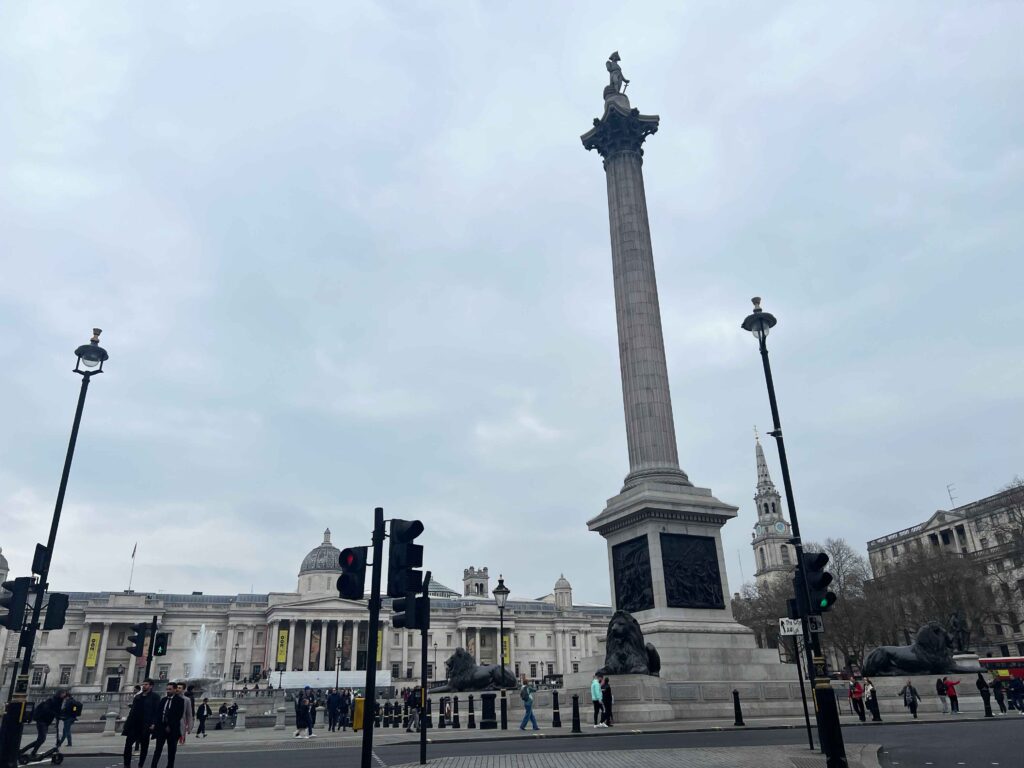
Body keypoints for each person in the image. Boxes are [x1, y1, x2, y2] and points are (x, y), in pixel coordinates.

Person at [122, 678, 161, 768]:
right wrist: (127, 723)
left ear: (151, 686)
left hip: (145, 725)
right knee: (128, 745)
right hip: (134, 724)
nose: (144, 686)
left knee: (144, 747)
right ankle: (127, 765)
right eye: (143, 684)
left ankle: (140, 765)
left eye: (146, 684)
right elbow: (133, 710)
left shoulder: (155, 697)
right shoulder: (138, 697)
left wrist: (153, 723)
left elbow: (156, 711)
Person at [150, 682, 185, 768]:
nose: (168, 691)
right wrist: (154, 723)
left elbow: (178, 715)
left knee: (171, 751)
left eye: (170, 689)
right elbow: (158, 713)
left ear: (175, 689)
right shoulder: (163, 700)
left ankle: (170, 766)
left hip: (172, 729)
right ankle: (153, 766)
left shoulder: (180, 701)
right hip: (161, 728)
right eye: (167, 689)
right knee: (158, 749)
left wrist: (170, 725)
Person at [23, 690, 65, 758]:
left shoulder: (59, 702)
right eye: (63, 694)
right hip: (42, 721)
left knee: (40, 739)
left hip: (45, 722)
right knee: (41, 739)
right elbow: (46, 710)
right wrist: (55, 714)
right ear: (59, 694)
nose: (64, 696)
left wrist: (61, 715)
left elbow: (58, 712)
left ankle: (26, 751)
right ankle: (31, 752)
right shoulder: (51, 700)